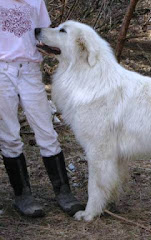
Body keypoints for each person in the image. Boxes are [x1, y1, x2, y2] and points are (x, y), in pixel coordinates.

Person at [0, 0, 84, 217]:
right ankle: (23, 196)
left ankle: (63, 192)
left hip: (29, 71)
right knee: (9, 135)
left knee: (46, 131)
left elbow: (43, 33)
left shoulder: (36, 1)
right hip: (2, 71)